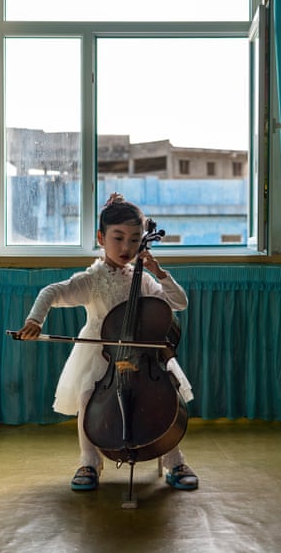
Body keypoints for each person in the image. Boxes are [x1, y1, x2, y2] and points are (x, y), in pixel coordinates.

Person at [14, 193, 198, 492]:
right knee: (89, 395)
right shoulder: (92, 280)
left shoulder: (145, 279)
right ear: (101, 237)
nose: (127, 247)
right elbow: (51, 292)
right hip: (103, 356)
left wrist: (159, 273)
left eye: (135, 239)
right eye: (118, 238)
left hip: (143, 357)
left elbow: (179, 303)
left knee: (164, 395)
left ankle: (174, 460)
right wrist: (35, 320)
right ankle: (89, 462)